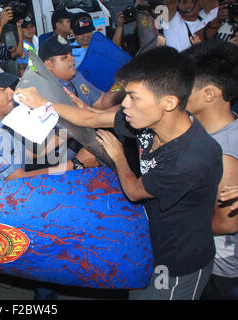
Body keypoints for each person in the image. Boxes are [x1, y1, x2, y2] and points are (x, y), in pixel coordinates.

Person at [15, 46, 223, 300]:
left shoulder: (190, 157)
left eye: (133, 97)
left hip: (177, 266)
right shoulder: (147, 121)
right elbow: (90, 120)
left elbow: (135, 191)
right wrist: (45, 103)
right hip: (147, 247)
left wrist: (118, 157)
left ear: (169, 102)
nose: (124, 104)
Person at [0, 61, 98, 299]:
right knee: (44, 259)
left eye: (9, 86)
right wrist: (75, 165)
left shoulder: (0, 121)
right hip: (3, 211)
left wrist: (73, 128)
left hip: (16, 199)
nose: (10, 92)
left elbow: (32, 153)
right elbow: (19, 178)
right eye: (1, 88)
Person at [182, 40, 238, 299]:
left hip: (219, 268)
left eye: (185, 84)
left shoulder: (224, 152)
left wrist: (171, 228)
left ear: (209, 94)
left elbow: (226, 223)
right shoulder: (199, 129)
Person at [39, 34, 124, 110]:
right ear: (48, 65)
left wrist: (127, 91)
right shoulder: (49, 91)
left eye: (71, 54)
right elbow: (82, 119)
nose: (72, 58)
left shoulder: (76, 77)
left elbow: (101, 101)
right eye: (65, 57)